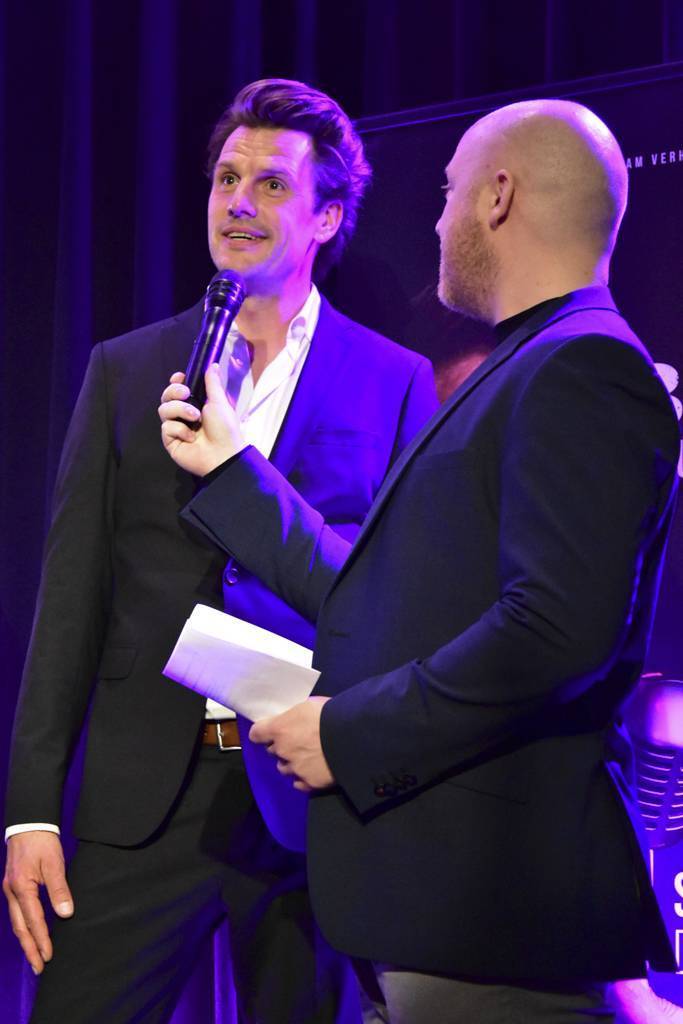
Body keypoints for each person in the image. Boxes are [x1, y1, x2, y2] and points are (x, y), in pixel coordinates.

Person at [159, 99, 680, 1023]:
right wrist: (236, 474)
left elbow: (553, 634)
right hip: (434, 921)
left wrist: (347, 735)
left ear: (497, 196)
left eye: (446, 193)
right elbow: (388, 599)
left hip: (491, 922)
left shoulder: (582, 368)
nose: (436, 222)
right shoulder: (528, 365)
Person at [3, 78, 437, 1023]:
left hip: (303, 797)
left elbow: (392, 602)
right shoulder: (126, 370)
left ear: (326, 217)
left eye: (272, 185)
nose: (239, 202)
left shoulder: (394, 381)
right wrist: (30, 810)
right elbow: (70, 598)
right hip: (143, 797)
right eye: (226, 179)